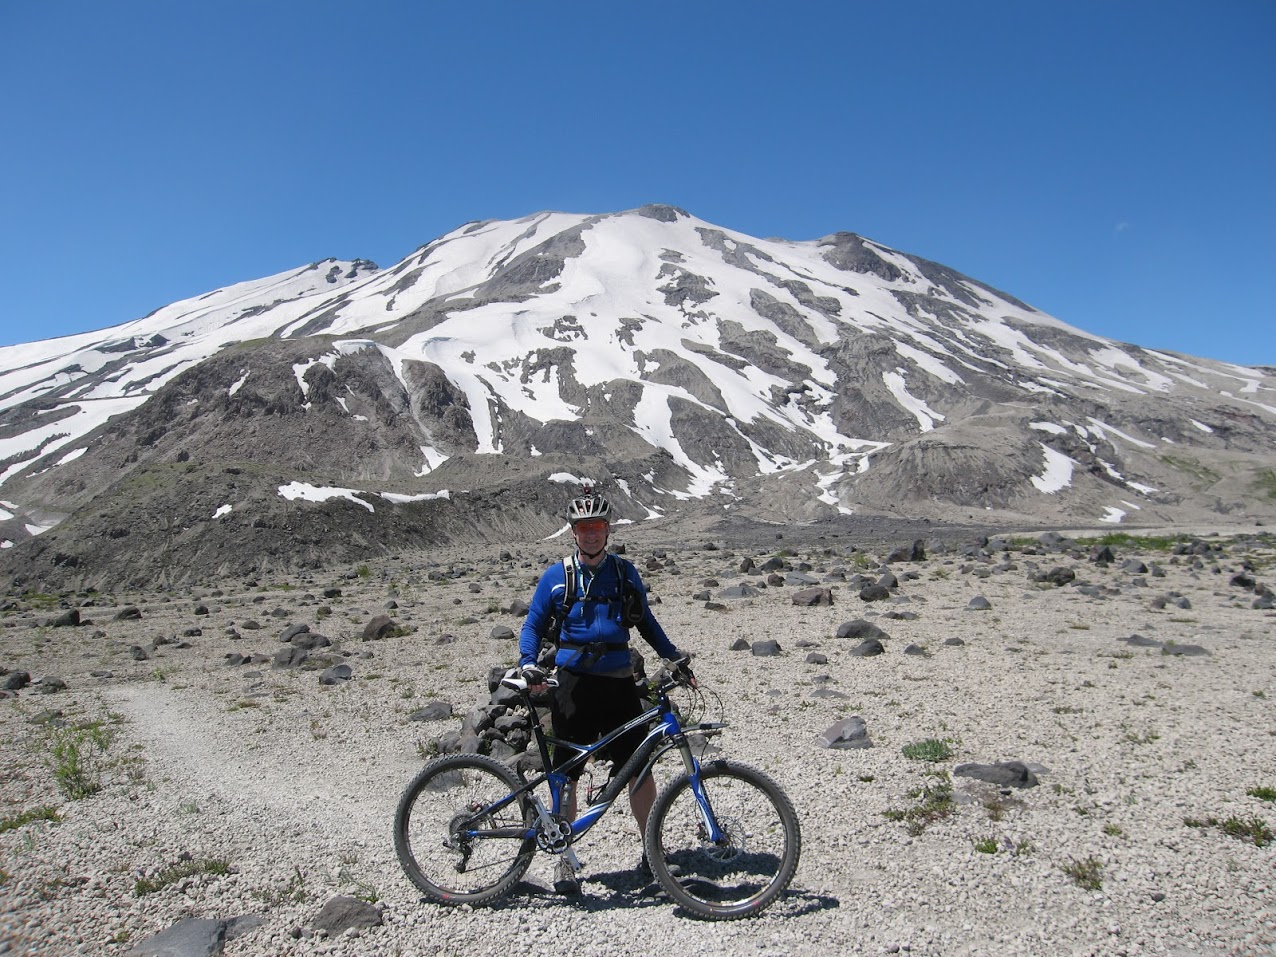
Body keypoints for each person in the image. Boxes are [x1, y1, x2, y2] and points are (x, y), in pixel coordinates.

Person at [517, 487, 690, 894]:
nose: (591, 533)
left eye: (596, 526)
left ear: (607, 529)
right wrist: (527, 661)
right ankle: (564, 859)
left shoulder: (625, 573)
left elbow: (646, 622)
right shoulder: (557, 576)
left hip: (618, 684)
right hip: (572, 685)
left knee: (638, 769)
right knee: (566, 774)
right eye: (583, 527)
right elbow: (533, 624)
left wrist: (674, 658)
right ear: (573, 532)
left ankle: (652, 853)